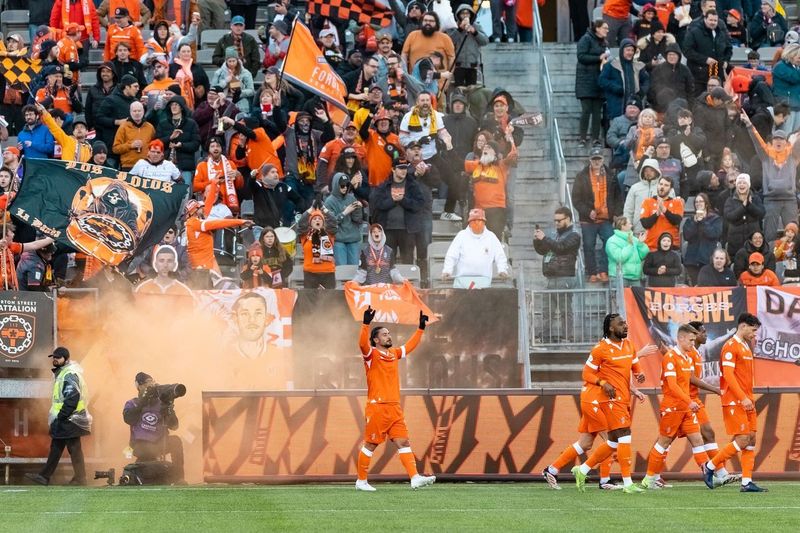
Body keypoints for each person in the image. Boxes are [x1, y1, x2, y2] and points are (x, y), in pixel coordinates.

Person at [570, 314, 654, 493]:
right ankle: (628, 483)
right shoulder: (600, 349)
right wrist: (602, 383)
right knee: (625, 435)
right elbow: (586, 374)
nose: (625, 326)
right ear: (610, 328)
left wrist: (639, 374)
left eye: (625, 323)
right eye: (621, 324)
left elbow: (634, 365)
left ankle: (582, 470)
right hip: (610, 399)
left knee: (613, 442)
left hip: (624, 397)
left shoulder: (629, 345)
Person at [356, 305, 436, 491]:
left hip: (394, 407)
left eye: (389, 334)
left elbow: (409, 347)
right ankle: (361, 481)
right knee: (371, 444)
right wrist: (366, 324)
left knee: (403, 442)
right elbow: (362, 344)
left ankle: (414, 477)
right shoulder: (371, 354)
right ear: (376, 340)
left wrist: (420, 328)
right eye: (384, 334)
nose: (388, 336)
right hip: (377, 407)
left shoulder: (393, 354)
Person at [639, 325, 713, 489]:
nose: (693, 343)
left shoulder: (687, 358)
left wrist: (688, 403)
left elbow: (687, 383)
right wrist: (689, 401)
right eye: (691, 340)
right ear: (681, 338)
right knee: (664, 442)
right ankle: (649, 479)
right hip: (672, 408)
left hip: (685, 408)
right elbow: (672, 386)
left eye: (694, 340)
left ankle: (707, 472)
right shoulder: (670, 357)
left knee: (697, 439)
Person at [703, 313, 767, 492]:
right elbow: (728, 375)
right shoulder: (730, 346)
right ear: (743, 326)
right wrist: (742, 397)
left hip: (747, 399)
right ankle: (710, 466)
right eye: (753, 330)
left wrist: (748, 398)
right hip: (735, 400)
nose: (755, 334)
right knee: (743, 439)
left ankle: (746, 482)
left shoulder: (745, 346)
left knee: (751, 439)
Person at [25, 347, 91, 486]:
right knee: (60, 447)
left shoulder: (69, 374)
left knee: (72, 449)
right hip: (68, 418)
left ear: (66, 359)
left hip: (69, 419)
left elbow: (72, 398)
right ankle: (47, 476)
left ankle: (78, 478)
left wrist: (61, 416)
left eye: (58, 357)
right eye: (54, 357)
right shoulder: (64, 373)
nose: (54, 359)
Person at [741, 113, 800, 242]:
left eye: (781, 139)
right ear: (772, 142)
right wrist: (749, 124)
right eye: (776, 139)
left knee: (794, 236)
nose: (778, 141)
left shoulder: (793, 156)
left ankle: (793, 256)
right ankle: (770, 255)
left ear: (786, 142)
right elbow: (757, 141)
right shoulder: (765, 156)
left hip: (790, 200)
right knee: (769, 235)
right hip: (771, 200)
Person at [122, 372, 184, 484]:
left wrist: (168, 409)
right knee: (145, 464)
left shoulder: (161, 404)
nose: (150, 385)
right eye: (147, 383)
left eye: (152, 382)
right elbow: (128, 419)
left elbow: (174, 426)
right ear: (139, 386)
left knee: (176, 441)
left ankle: (179, 478)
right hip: (140, 444)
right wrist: (143, 401)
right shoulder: (132, 403)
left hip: (159, 443)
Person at [572, 148, 622, 283]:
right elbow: (576, 199)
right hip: (588, 220)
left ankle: (604, 271)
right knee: (589, 245)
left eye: (599, 159)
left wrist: (616, 214)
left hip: (606, 218)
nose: (596, 162)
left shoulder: (611, 175)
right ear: (590, 160)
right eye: (594, 159)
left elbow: (618, 196)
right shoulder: (581, 176)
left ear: (603, 159)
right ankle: (592, 272)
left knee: (609, 243)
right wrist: (588, 211)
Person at [533, 207, 581, 340]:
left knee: (565, 311)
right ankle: (545, 337)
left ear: (568, 219)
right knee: (547, 311)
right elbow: (542, 251)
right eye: (555, 221)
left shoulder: (574, 235)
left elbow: (561, 248)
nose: (556, 223)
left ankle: (567, 337)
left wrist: (545, 238)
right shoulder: (554, 235)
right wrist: (537, 240)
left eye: (559, 220)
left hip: (564, 277)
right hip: (550, 277)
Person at [370, 159, 425, 264]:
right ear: (393, 169)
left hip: (408, 230)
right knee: (388, 262)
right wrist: (393, 200)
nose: (404, 171)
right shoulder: (384, 185)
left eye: (405, 168)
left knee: (408, 261)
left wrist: (403, 200)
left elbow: (419, 204)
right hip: (388, 230)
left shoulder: (412, 185)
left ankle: (407, 276)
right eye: (400, 168)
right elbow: (377, 204)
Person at [441, 208, 510, 288]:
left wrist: (502, 270)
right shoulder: (461, 236)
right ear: (469, 223)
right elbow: (452, 255)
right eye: (474, 221)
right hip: (462, 279)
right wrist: (447, 270)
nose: (477, 223)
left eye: (479, 221)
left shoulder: (491, 237)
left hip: (484, 279)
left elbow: (500, 255)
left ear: (484, 222)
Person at [184, 199, 253, 275]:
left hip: (207, 260)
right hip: (201, 265)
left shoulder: (192, 223)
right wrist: (241, 222)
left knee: (219, 280)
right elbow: (219, 223)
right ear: (195, 210)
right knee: (204, 282)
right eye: (200, 208)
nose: (203, 209)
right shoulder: (196, 223)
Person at [575, 21, 610, 148]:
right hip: (585, 80)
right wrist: (598, 58)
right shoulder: (586, 39)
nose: (607, 30)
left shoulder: (604, 42)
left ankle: (595, 138)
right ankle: (582, 138)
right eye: (605, 28)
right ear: (597, 28)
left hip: (599, 80)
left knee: (597, 111)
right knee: (586, 110)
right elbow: (581, 56)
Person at [598, 39, 649, 123]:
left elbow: (646, 80)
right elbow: (602, 80)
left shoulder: (638, 66)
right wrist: (615, 87)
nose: (630, 52)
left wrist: (642, 91)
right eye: (628, 50)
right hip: (616, 104)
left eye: (632, 50)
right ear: (622, 51)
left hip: (634, 105)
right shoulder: (611, 64)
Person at [683, 10, 732, 96]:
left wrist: (726, 61)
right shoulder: (694, 32)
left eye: (715, 20)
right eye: (711, 20)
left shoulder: (721, 33)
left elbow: (729, 49)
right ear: (705, 19)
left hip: (717, 76)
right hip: (699, 77)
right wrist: (705, 59)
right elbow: (687, 51)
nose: (713, 22)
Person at [155, 96, 201, 185]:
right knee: (165, 192)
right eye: (172, 105)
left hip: (184, 167)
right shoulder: (163, 123)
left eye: (176, 104)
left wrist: (181, 145)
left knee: (184, 191)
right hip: (165, 166)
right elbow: (156, 143)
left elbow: (196, 144)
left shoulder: (191, 124)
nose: (174, 107)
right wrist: (170, 138)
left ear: (182, 107)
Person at [193, 135, 244, 215]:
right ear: (208, 149)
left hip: (229, 204)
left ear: (221, 148)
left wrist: (238, 176)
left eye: (218, 146)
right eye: (212, 146)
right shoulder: (202, 165)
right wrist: (212, 182)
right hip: (210, 207)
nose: (215, 148)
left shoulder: (230, 164)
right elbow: (195, 187)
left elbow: (239, 186)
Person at [682, 193, 723, 285]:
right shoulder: (690, 220)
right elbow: (687, 236)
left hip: (707, 260)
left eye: (701, 201)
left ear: (706, 204)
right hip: (692, 260)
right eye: (696, 202)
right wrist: (695, 222)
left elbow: (714, 234)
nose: (698, 203)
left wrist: (703, 221)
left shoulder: (715, 219)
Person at [324, 173, 364, 266]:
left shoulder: (351, 198)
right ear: (336, 185)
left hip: (353, 239)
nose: (345, 188)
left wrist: (358, 209)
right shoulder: (329, 201)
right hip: (338, 240)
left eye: (347, 185)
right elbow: (330, 223)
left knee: (354, 269)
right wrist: (345, 213)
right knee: (342, 269)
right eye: (342, 185)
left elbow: (358, 220)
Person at [445, 5, 488, 87]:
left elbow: (485, 41)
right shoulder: (453, 27)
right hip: (458, 66)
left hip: (472, 65)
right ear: (458, 15)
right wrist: (459, 30)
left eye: (467, 13)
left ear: (471, 14)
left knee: (471, 90)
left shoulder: (477, 26)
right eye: (462, 13)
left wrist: (475, 32)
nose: (465, 16)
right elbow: (449, 42)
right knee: (458, 89)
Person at [724, 173, 765, 258]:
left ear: (748, 185)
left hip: (753, 241)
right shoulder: (730, 200)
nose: (741, 185)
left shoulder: (756, 198)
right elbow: (729, 216)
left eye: (744, 183)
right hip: (735, 242)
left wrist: (750, 205)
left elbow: (761, 214)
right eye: (739, 183)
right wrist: (743, 207)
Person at [640, 175, 684, 251]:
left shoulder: (677, 203)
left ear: (671, 189)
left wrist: (664, 210)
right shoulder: (647, 201)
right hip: (651, 246)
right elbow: (645, 224)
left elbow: (677, 221)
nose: (662, 187)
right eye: (661, 184)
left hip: (671, 247)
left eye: (666, 185)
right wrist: (657, 214)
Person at [298, 207, 337, 289]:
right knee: (310, 297)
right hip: (310, 273)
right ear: (310, 222)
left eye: (320, 219)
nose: (317, 220)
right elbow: (301, 222)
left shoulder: (329, 234)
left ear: (323, 222)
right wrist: (311, 208)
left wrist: (324, 209)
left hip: (328, 272)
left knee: (330, 296)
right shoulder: (305, 235)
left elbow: (333, 221)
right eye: (314, 219)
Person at [606, 216, 650, 287]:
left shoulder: (634, 239)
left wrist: (641, 243)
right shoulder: (612, 241)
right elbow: (619, 258)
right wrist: (630, 245)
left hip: (635, 278)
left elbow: (643, 256)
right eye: (629, 224)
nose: (631, 225)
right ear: (622, 226)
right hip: (619, 277)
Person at [113, 101, 155, 171]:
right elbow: (115, 149)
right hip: (128, 166)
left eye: (139, 111)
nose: (137, 113)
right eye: (134, 111)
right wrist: (131, 145)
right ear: (130, 112)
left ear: (143, 112)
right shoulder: (123, 127)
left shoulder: (150, 127)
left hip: (147, 165)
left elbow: (154, 146)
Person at [211, 47, 255, 114]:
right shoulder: (218, 73)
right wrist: (226, 81)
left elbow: (251, 90)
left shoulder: (246, 73)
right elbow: (213, 89)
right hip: (223, 103)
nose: (232, 63)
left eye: (234, 61)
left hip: (241, 104)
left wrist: (239, 92)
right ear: (226, 61)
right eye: (229, 61)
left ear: (237, 60)